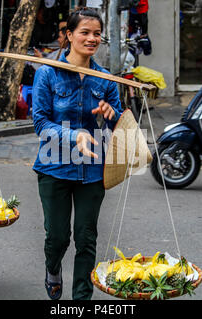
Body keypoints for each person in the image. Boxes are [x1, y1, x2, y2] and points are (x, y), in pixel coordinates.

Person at [32, 7, 123, 300]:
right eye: (84, 32)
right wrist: (75, 135)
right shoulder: (47, 73)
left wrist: (112, 115)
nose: (91, 38)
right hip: (53, 166)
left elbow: (120, 123)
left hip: (93, 168)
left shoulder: (106, 78)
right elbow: (40, 123)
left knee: (86, 238)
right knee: (57, 237)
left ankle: (81, 299)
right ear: (69, 35)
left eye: (97, 33)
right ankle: (52, 268)